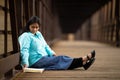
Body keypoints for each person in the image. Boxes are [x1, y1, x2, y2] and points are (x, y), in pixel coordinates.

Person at [18, 16, 96, 70]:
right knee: (60, 59)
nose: (35, 29)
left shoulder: (38, 34)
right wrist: (25, 62)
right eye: (33, 27)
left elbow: (45, 45)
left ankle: (83, 63)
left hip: (44, 58)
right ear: (29, 26)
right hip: (35, 61)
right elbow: (24, 49)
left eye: (37, 27)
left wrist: (51, 52)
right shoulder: (26, 36)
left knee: (61, 59)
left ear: (39, 27)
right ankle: (83, 59)